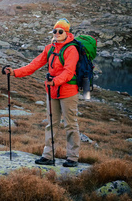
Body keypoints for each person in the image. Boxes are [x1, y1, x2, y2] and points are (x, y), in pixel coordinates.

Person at [4, 18, 80, 167]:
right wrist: (14, 72)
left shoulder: (72, 49)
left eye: (60, 31)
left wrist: (55, 81)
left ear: (66, 33)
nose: (57, 33)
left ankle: (72, 157)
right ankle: (48, 156)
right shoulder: (49, 48)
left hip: (68, 92)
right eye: (55, 31)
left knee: (70, 125)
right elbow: (34, 64)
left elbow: (69, 72)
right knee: (51, 124)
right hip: (52, 91)